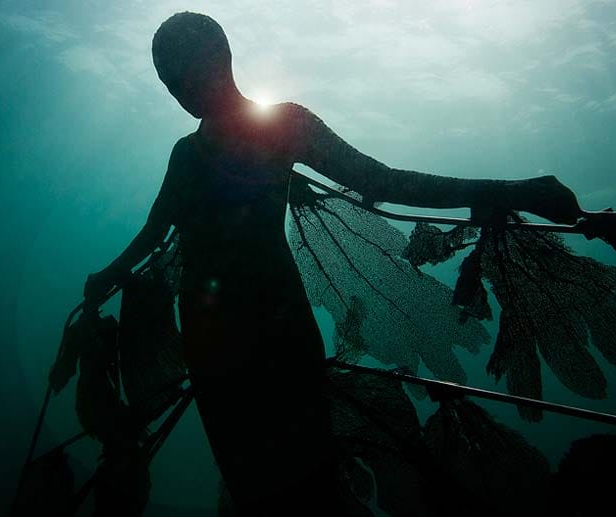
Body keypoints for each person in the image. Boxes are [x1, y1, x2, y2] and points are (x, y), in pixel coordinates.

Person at [83, 12, 582, 515]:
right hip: (214, 343)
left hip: (268, 332)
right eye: (167, 79)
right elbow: (152, 234)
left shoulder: (280, 126)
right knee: (259, 486)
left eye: (179, 70)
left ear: (220, 58)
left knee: (303, 483)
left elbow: (383, 182)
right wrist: (107, 274)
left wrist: (516, 191)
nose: (176, 89)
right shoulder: (189, 152)